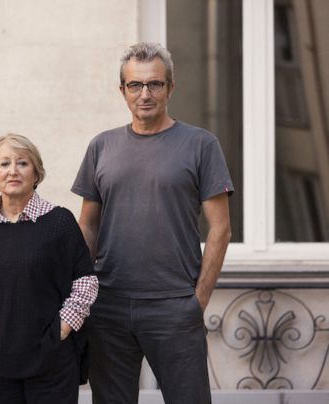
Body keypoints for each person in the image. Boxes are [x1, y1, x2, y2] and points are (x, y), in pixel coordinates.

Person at [72, 42, 234, 403]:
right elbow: (87, 227)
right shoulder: (101, 146)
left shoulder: (201, 145)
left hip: (175, 305)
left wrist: (199, 298)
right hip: (109, 303)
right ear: (123, 90)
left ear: (170, 88)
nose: (145, 94)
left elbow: (220, 228)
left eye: (155, 84)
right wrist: (82, 296)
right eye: (135, 85)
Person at [0, 134, 99, 404]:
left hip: (52, 361)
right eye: (4, 164)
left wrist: (61, 331)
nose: (12, 171)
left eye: (22, 163)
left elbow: (86, 283)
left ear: (36, 173)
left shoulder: (59, 222)